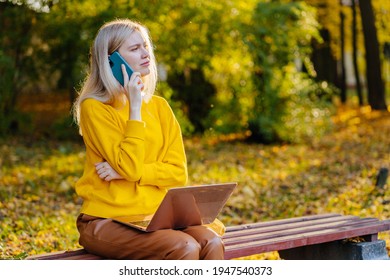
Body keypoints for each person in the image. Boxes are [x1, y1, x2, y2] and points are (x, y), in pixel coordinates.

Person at [72, 18, 225, 260]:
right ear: (111, 61)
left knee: (211, 242)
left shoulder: (160, 107)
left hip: (156, 215)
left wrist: (126, 173)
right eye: (134, 49)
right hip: (106, 219)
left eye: (145, 46)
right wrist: (134, 108)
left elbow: (177, 173)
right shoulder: (96, 108)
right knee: (184, 247)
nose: (146, 54)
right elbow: (130, 167)